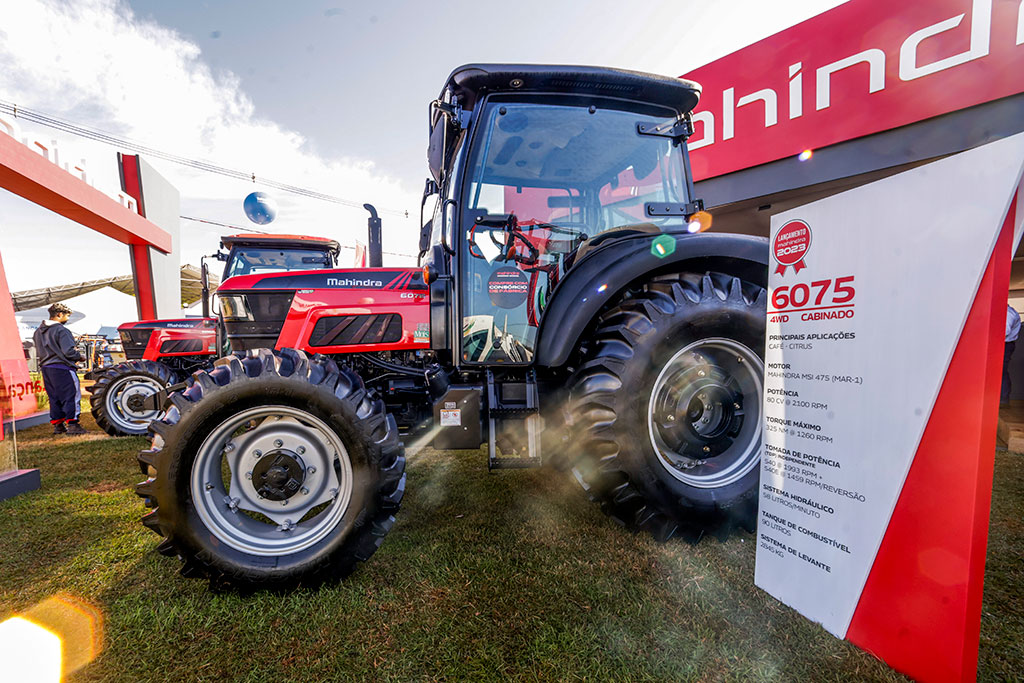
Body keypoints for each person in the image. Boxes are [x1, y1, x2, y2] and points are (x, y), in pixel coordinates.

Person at [32, 303, 87, 435]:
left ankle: (58, 425)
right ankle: (73, 425)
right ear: (59, 315)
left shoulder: (38, 331)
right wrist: (80, 357)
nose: (67, 319)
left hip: (46, 368)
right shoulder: (62, 330)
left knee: (54, 398)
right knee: (71, 396)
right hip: (63, 368)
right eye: (67, 316)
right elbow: (69, 352)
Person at [1002, 304, 1020, 407]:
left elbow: (1004, 331)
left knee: (1001, 371)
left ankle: (1003, 400)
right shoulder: (1008, 312)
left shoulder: (1008, 313)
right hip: (1004, 344)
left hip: (1004, 345)